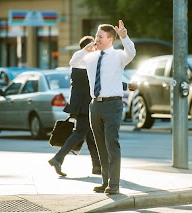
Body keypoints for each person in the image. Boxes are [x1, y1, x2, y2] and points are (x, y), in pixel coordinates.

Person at [48, 35, 135, 177]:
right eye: (94, 44)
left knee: (91, 137)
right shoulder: (88, 62)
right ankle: (58, 158)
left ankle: (96, 166)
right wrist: (127, 86)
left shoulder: (81, 62)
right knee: (80, 132)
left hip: (80, 103)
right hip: (86, 104)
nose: (97, 46)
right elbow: (105, 82)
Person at [69, 20, 136, 194]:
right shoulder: (90, 57)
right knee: (100, 145)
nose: (96, 39)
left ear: (110, 39)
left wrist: (125, 36)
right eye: (96, 35)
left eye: (100, 36)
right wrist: (86, 49)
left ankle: (114, 185)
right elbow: (73, 62)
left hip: (112, 104)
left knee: (111, 144)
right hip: (95, 105)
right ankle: (105, 182)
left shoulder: (118, 56)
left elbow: (132, 52)